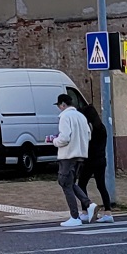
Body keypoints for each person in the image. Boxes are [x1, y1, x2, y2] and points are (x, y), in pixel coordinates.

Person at [52, 93, 94, 227]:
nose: (59, 108)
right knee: (70, 183)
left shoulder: (65, 116)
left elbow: (64, 138)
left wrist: (54, 141)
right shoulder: (81, 117)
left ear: (63, 104)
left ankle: (74, 216)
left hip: (68, 155)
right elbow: (88, 135)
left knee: (64, 183)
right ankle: (89, 204)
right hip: (80, 155)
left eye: (59, 106)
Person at [76, 100, 114, 222]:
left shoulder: (90, 128)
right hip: (101, 160)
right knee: (101, 186)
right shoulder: (102, 128)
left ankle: (85, 211)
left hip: (90, 160)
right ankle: (108, 212)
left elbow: (87, 143)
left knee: (81, 184)